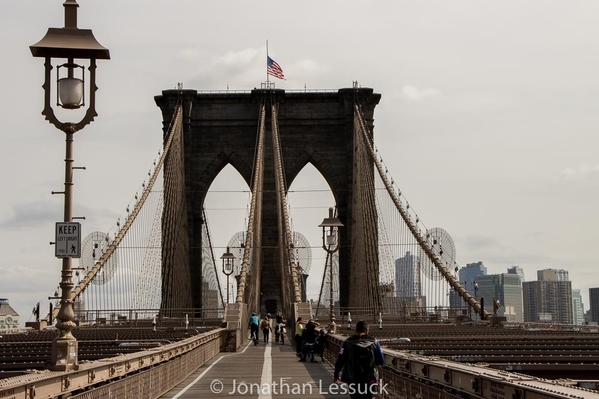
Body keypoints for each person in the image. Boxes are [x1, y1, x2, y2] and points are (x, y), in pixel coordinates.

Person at [333, 320, 385, 399]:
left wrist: (336, 374)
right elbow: (381, 361)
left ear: (355, 330)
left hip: (353, 378)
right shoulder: (374, 342)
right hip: (370, 377)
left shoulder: (347, 343)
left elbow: (340, 360)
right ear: (367, 330)